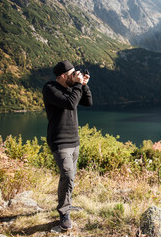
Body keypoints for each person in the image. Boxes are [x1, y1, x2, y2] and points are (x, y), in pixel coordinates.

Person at [42, 60, 93, 230]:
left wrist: (83, 85)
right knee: (68, 174)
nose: (75, 76)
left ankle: (67, 205)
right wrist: (78, 85)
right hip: (59, 140)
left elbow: (88, 102)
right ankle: (64, 212)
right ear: (63, 76)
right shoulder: (50, 89)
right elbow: (70, 104)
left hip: (74, 140)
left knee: (70, 177)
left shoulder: (72, 88)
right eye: (72, 74)